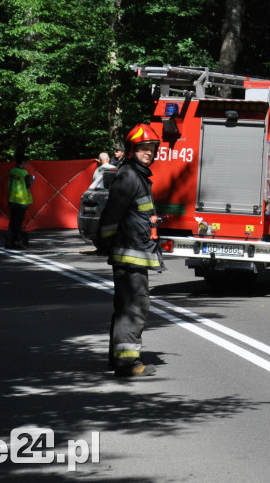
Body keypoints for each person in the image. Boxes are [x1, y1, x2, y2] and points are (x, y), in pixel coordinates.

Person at [100, 124, 165, 378]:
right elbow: (111, 216)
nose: (148, 153)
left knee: (126, 307)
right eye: (142, 149)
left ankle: (117, 359)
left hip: (134, 251)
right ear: (131, 150)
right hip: (130, 253)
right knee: (134, 308)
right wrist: (106, 242)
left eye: (151, 149)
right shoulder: (128, 176)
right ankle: (127, 364)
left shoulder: (136, 176)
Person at [6, 155, 35, 249]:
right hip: (21, 201)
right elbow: (27, 185)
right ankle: (18, 241)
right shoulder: (24, 172)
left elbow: (9, 184)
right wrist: (31, 181)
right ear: (23, 162)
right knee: (18, 222)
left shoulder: (13, 171)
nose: (27, 164)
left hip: (12, 199)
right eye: (26, 162)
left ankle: (10, 241)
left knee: (13, 222)